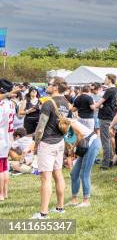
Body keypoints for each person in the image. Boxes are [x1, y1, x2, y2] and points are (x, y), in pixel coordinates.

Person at [32, 78, 71, 219]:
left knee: (45, 178)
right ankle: (60, 207)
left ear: (55, 88)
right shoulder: (66, 103)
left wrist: (36, 143)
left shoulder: (48, 103)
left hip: (47, 143)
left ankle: (43, 213)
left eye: (50, 84)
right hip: (60, 142)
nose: (48, 86)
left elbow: (40, 127)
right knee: (58, 174)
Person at [67, 118, 100, 208]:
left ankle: (86, 201)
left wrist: (73, 149)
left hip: (92, 143)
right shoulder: (63, 125)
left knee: (84, 173)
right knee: (74, 173)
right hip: (84, 144)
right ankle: (74, 200)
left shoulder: (69, 123)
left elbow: (80, 135)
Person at [93, 74, 117, 169]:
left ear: (109, 80)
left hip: (105, 117)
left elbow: (98, 104)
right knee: (109, 139)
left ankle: (105, 164)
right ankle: (111, 159)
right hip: (111, 116)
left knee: (105, 141)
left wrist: (97, 105)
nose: (104, 79)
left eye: (106, 78)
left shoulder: (109, 90)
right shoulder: (116, 90)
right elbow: (116, 103)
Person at [0, 93, 14, 201]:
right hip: (8, 137)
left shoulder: (1, 104)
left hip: (1, 137)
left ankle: (1, 194)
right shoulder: (11, 104)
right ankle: (5, 192)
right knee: (4, 167)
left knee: (1, 168)